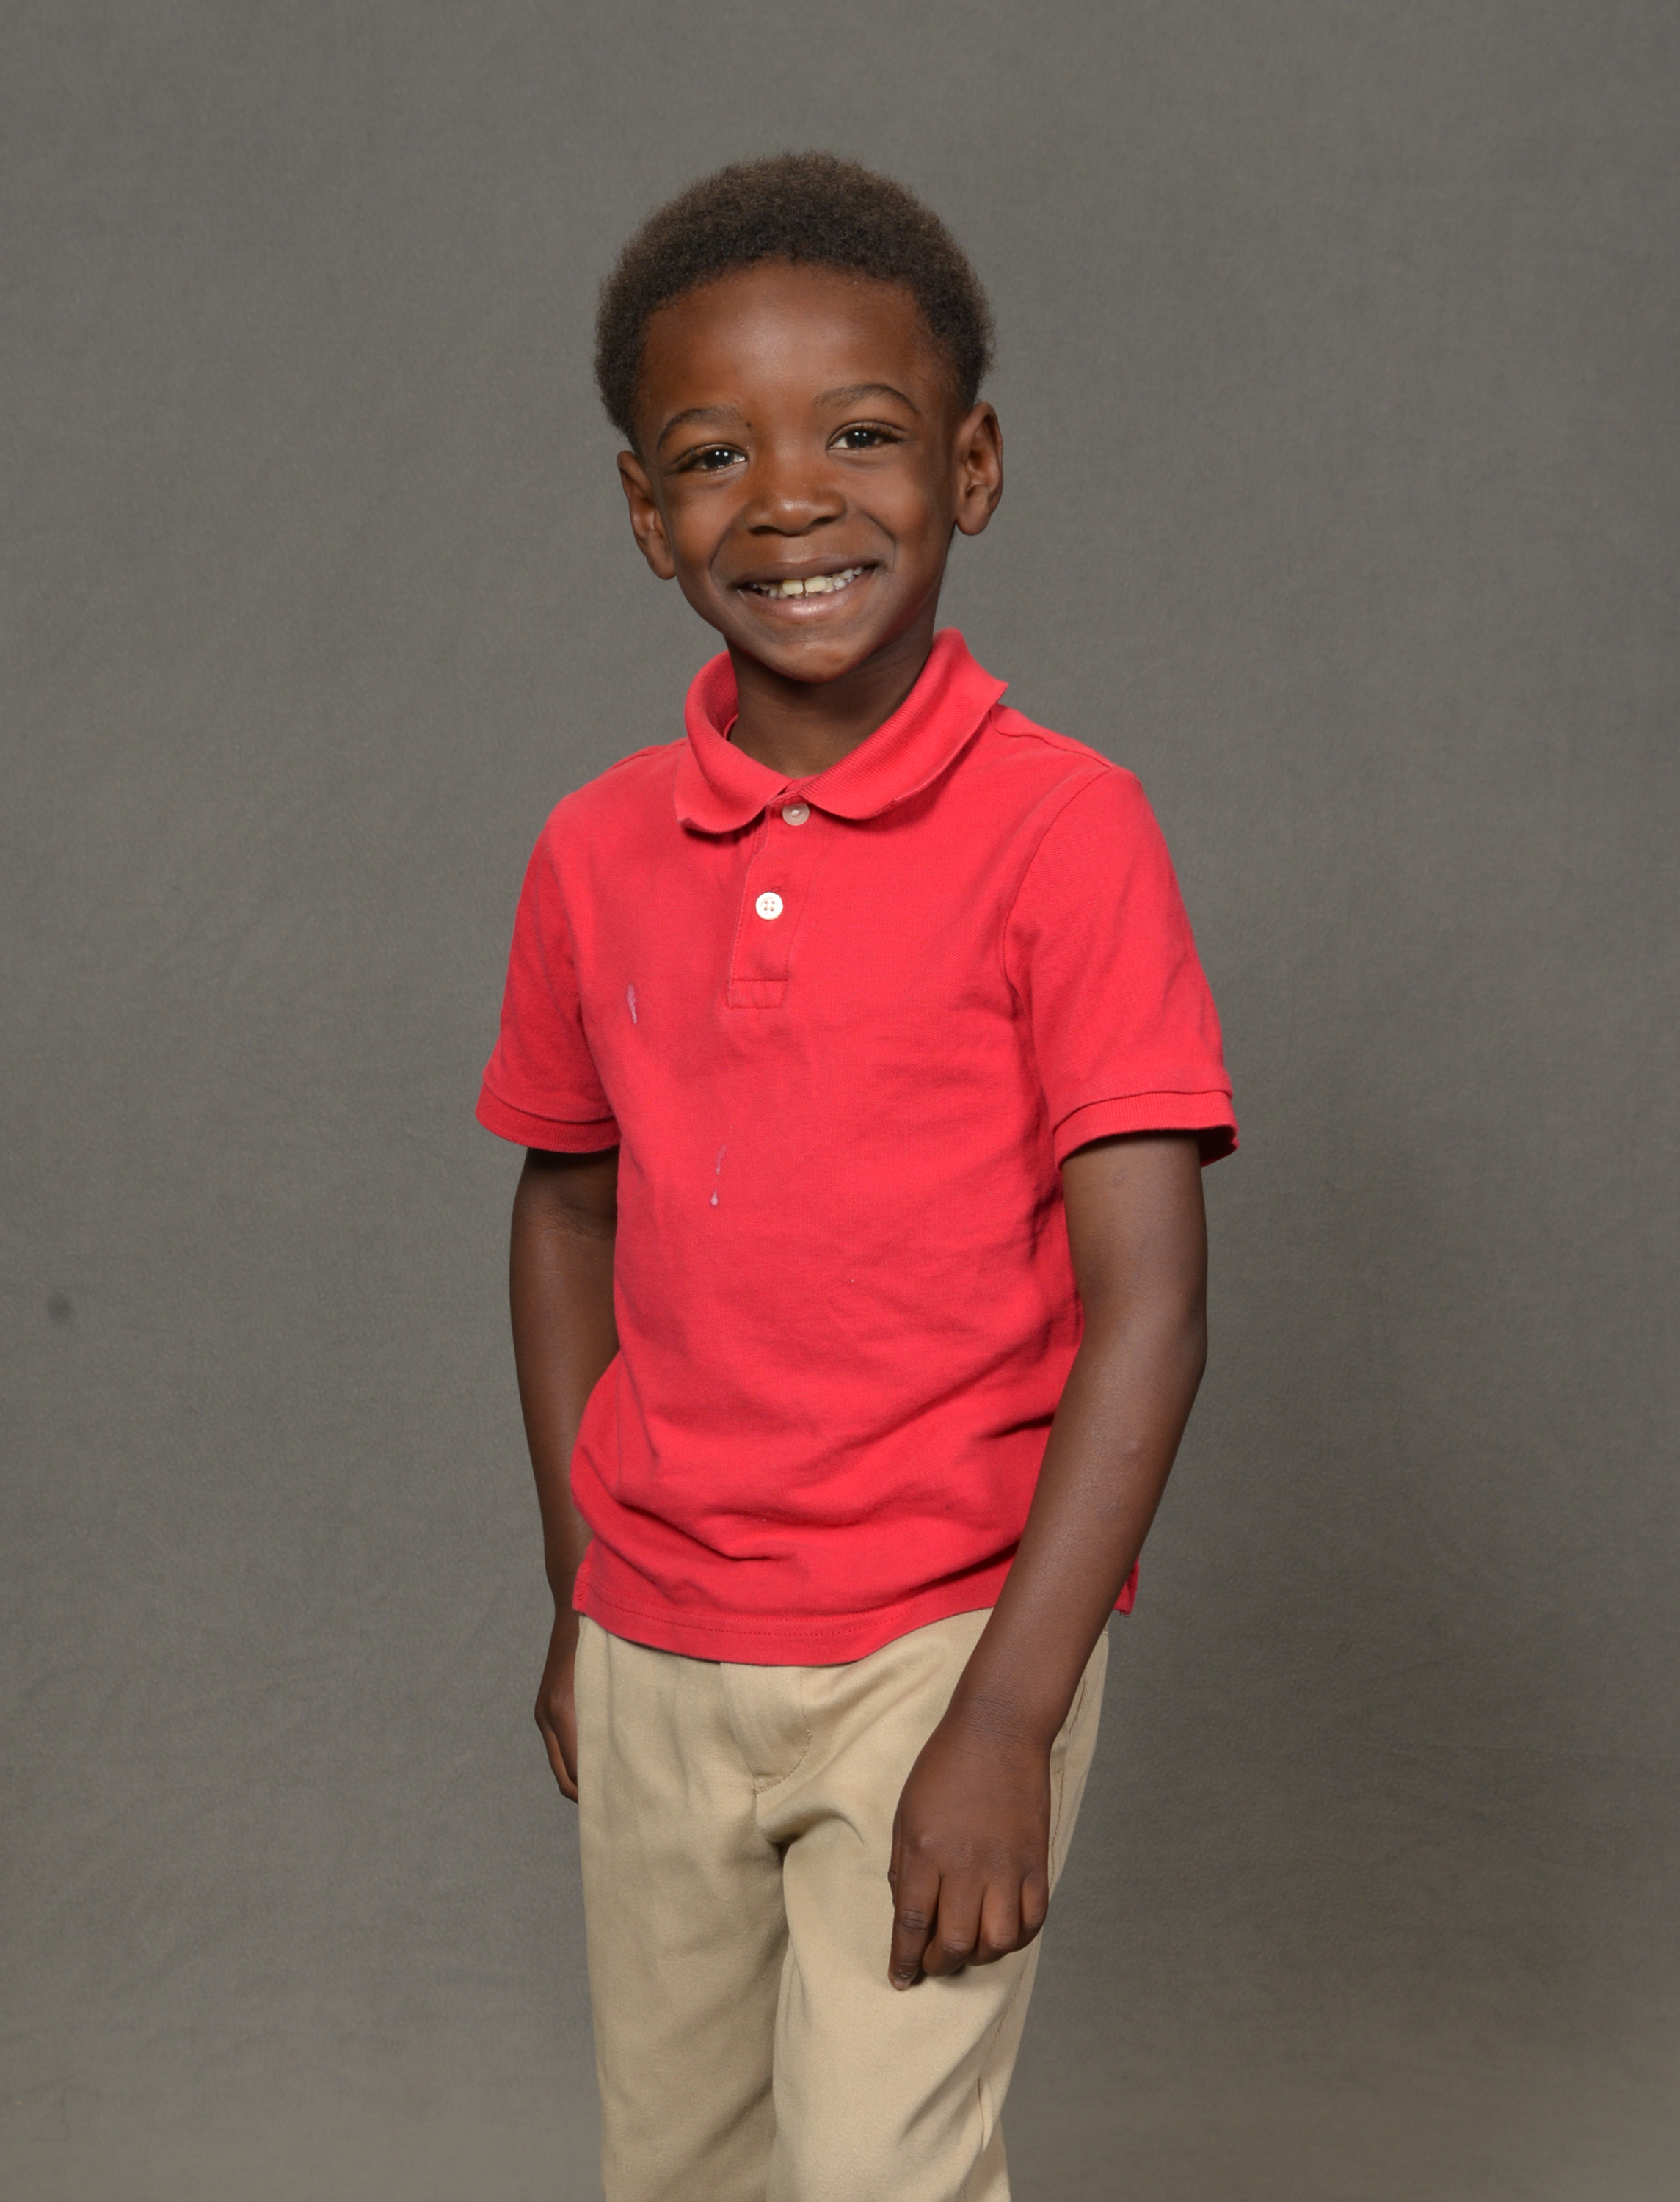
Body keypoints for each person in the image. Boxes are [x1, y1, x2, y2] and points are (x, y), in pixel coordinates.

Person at [478, 151, 1235, 2202]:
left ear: (971, 468)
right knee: (683, 2170)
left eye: (864, 435)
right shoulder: (592, 851)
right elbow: (565, 1209)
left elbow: (1152, 1308)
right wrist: (580, 1587)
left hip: (940, 1642)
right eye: (714, 455)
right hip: (660, 1641)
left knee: (877, 2171)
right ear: (644, 511)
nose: (790, 500)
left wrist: (1008, 1714)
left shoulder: (1068, 832)